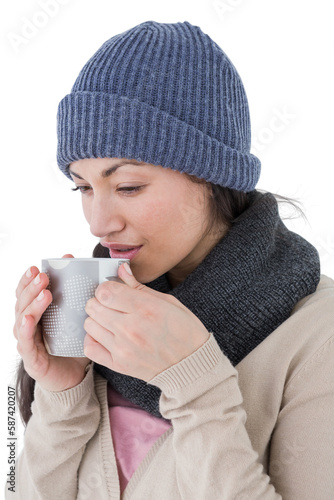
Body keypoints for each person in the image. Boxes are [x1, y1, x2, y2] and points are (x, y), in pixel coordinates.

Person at [10, 21, 334, 500]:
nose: (98, 223)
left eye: (128, 187)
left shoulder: (318, 334)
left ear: (213, 176)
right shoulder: (96, 316)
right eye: (82, 187)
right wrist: (63, 394)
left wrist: (195, 381)